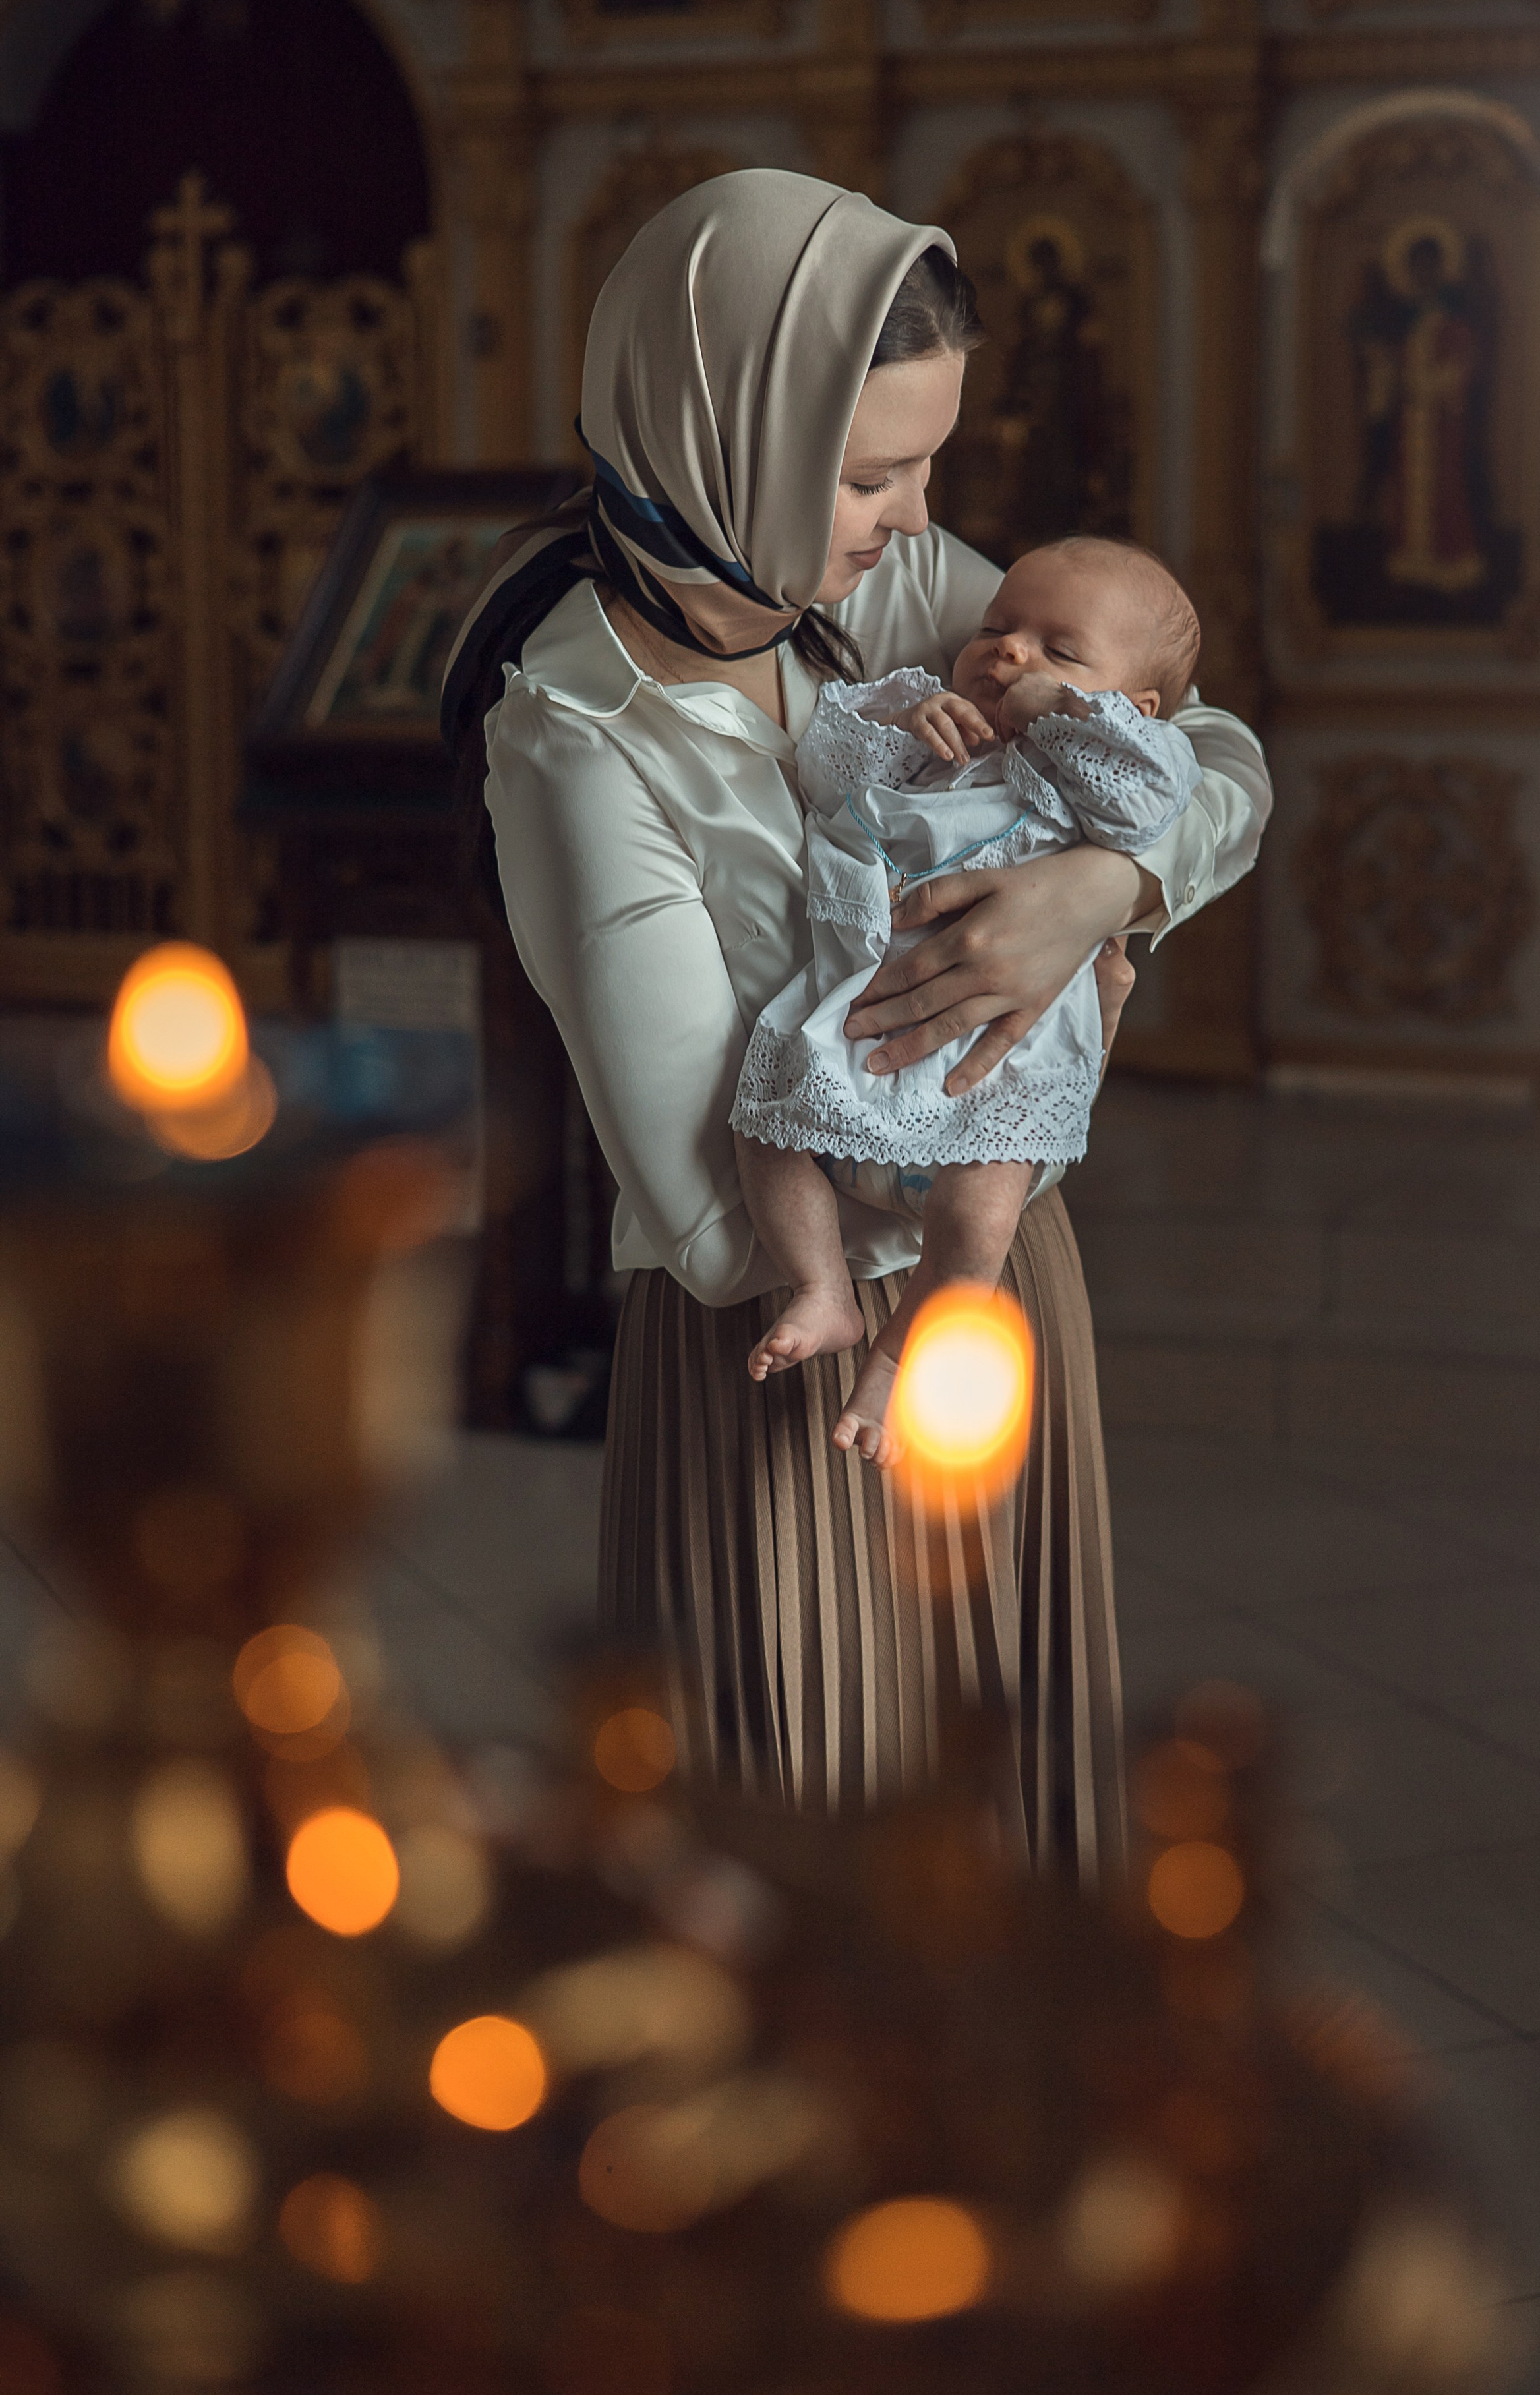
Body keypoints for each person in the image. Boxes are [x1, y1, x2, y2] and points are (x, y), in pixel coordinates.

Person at [442, 169, 1272, 1879]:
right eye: (869, 473)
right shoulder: (578, 735)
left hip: (993, 1280)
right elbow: (709, 1211)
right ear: (713, 436)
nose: (910, 521)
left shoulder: (885, 604)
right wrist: (1022, 1052)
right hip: (795, 1359)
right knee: (810, 1850)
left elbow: (1217, 759)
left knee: (1006, 1816)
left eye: (929, 465)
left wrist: (1102, 895)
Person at [731, 537, 1201, 1465]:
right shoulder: (937, 744)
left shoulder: (1105, 773)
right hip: (860, 1019)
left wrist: (1064, 714)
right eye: (995, 629)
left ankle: (902, 1359)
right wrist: (904, 718)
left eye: (1058, 651)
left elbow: (1151, 804)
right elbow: (827, 777)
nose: (1010, 653)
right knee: (765, 1122)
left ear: (1135, 710)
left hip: (999, 1066)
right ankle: (820, 1287)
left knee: (980, 1225)